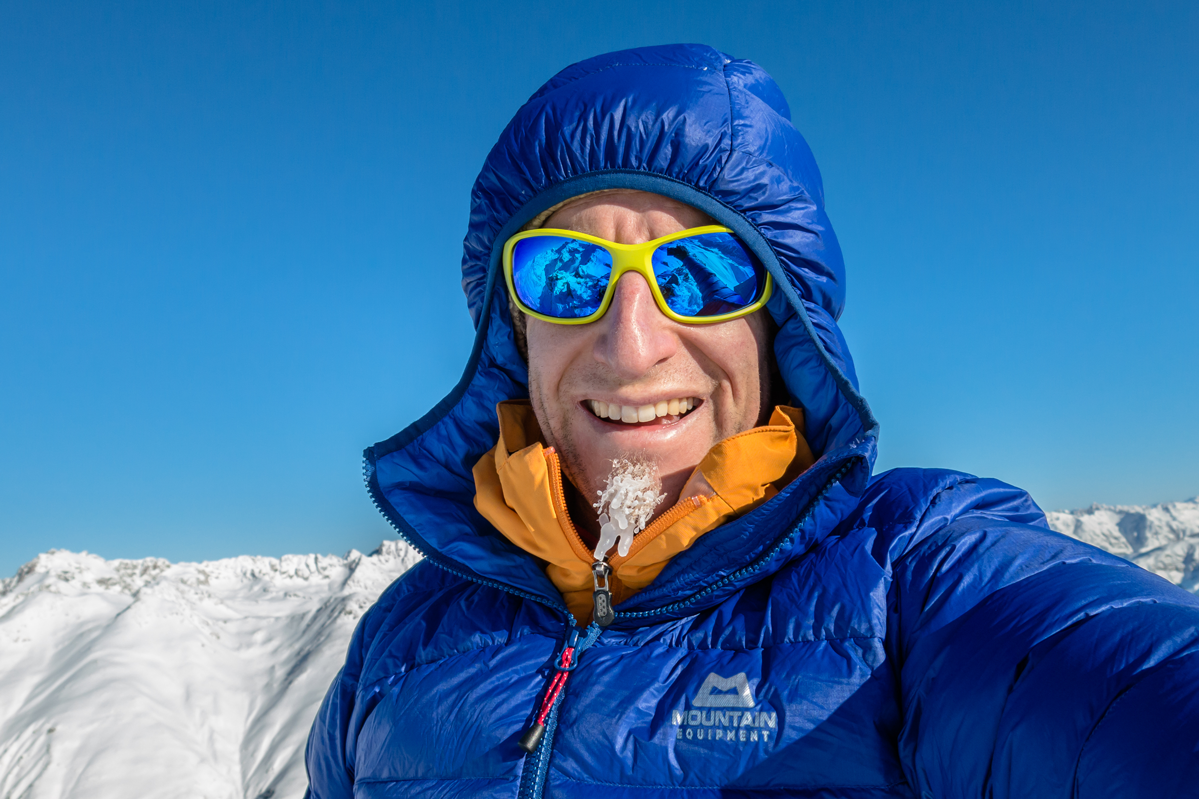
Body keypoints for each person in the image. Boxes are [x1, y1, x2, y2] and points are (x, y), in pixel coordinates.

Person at [305, 44, 1199, 798]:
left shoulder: (908, 579)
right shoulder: (400, 641)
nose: (630, 345)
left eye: (701, 274)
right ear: (514, 329)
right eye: (567, 276)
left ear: (778, 327)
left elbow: (1115, 679)